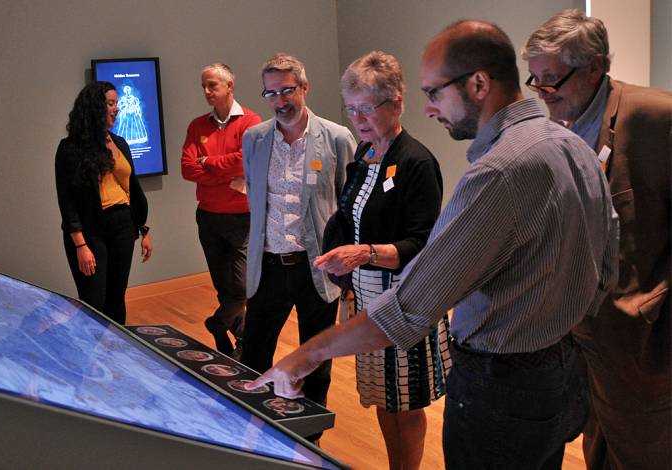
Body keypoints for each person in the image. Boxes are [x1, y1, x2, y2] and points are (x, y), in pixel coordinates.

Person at [249, 21, 619, 469]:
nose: (427, 109)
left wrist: (306, 355)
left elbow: (411, 305)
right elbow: (606, 268)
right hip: (560, 368)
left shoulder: (498, 173)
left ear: (479, 84)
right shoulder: (573, 144)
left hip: (500, 387)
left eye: (434, 93)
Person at [523, 10, 671, 469]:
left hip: (643, 339)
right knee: (597, 450)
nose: (543, 93)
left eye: (553, 80)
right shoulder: (556, 127)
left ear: (595, 67)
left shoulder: (653, 117)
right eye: (536, 80)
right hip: (581, 336)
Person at [313, 51, 448, 470]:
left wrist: (365, 253)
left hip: (404, 302)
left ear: (396, 102)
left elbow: (423, 244)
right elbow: (351, 218)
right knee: (385, 398)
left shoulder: (417, 162)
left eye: (366, 108)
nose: (357, 119)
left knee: (405, 403)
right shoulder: (364, 157)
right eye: (351, 109)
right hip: (367, 299)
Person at [240, 53, 356, 421]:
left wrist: (348, 274)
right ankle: (254, 432)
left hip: (316, 270)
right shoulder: (254, 139)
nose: (279, 101)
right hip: (269, 267)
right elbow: (253, 194)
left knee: (316, 359)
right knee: (253, 356)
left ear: (305, 88)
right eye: (271, 93)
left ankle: (311, 436)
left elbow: (349, 206)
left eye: (287, 90)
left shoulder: (336, 138)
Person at [55, 81, 153, 325]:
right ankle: (86, 357)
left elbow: (132, 188)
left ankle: (115, 356)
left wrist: (144, 229)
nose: (116, 109)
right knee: (93, 301)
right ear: (94, 107)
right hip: (91, 231)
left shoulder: (119, 143)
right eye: (110, 103)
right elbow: (67, 201)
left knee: (116, 298)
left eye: (116, 103)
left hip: (122, 226)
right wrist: (80, 245)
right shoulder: (70, 148)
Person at [181, 63, 262, 356]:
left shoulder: (251, 123)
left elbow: (244, 162)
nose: (206, 91)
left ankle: (217, 325)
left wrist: (209, 163)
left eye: (212, 85)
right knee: (224, 289)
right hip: (208, 217)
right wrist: (226, 171)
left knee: (240, 289)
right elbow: (187, 168)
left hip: (242, 216)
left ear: (230, 86)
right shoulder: (197, 126)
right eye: (203, 86)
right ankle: (242, 342)